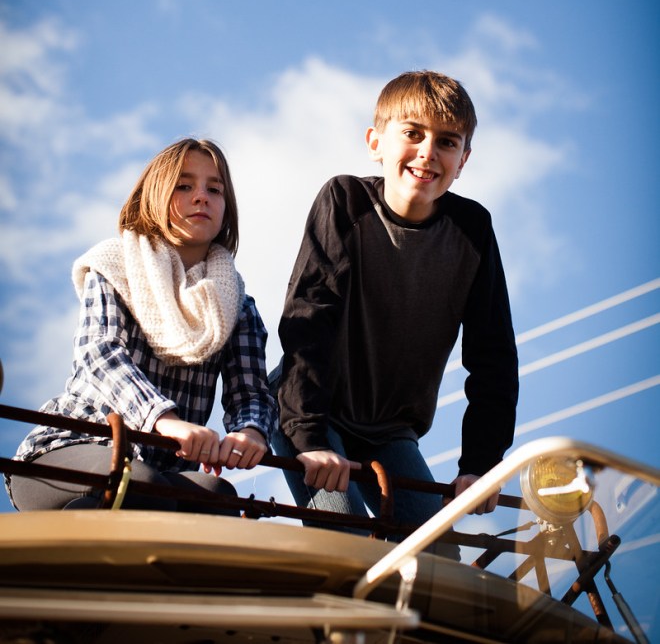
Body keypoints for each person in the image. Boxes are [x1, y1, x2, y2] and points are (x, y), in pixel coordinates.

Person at [270, 70, 518, 543]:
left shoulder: (473, 231)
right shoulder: (345, 202)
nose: (428, 152)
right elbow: (308, 319)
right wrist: (309, 437)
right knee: (345, 538)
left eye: (447, 142)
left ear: (463, 160)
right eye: (413, 134)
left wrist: (481, 464)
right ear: (375, 142)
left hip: (390, 429)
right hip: (314, 408)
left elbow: (493, 357)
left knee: (437, 557)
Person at [7, 137, 276, 513]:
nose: (201, 196)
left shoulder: (237, 305)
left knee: (218, 498)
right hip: (68, 448)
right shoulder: (116, 265)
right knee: (137, 482)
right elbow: (100, 354)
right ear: (154, 197)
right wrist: (165, 420)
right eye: (184, 186)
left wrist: (250, 432)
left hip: (161, 470)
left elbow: (251, 393)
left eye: (214, 189)